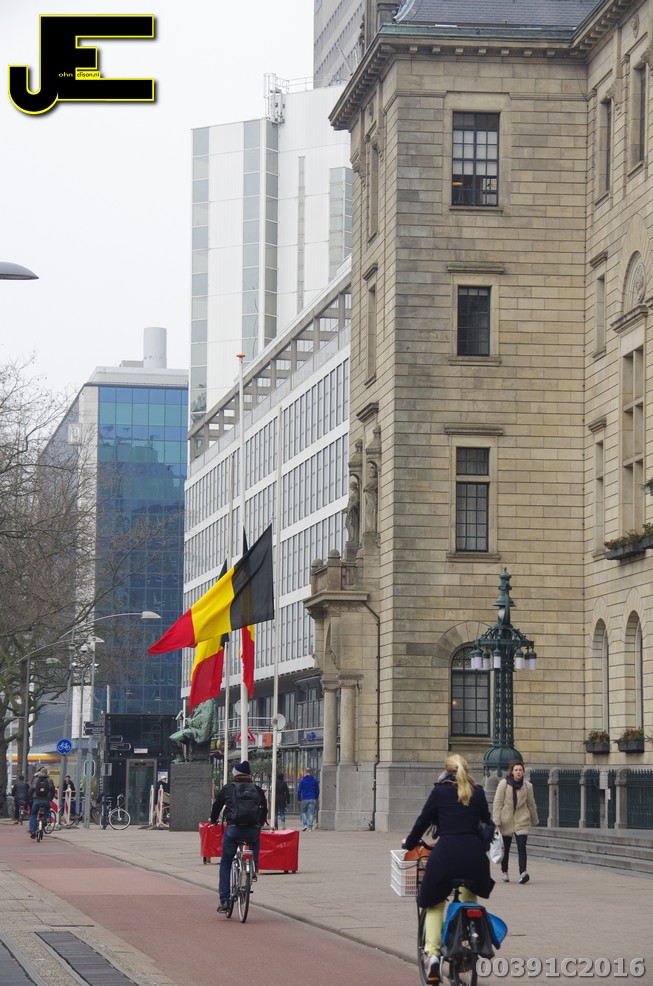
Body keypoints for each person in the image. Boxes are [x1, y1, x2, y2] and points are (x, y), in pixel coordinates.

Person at [402, 754, 495, 986]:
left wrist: (409, 843)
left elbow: (422, 822)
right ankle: (471, 933)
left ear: (446, 770)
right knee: (470, 897)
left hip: (446, 855)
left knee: (433, 903)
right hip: (474, 858)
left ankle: (433, 956)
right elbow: (488, 823)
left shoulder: (439, 792)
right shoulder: (478, 792)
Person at [210, 760, 267, 913]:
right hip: (252, 829)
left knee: (225, 862)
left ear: (234, 774)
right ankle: (253, 867)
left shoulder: (228, 788)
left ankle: (224, 901)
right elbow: (264, 809)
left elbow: (217, 806)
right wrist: (260, 823)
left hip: (234, 829)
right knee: (255, 841)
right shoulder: (257, 789)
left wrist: (213, 820)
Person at [492, 758, 539, 885]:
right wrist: (496, 820)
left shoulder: (527, 786)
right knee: (505, 849)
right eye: (516, 770)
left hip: (522, 819)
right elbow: (498, 803)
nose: (518, 772)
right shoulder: (503, 784)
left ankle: (523, 872)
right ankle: (505, 872)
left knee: (521, 847)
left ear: (523, 772)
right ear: (512, 772)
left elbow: (531, 804)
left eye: (520, 770)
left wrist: (534, 820)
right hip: (506, 820)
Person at [28, 769, 55, 839]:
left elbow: (30, 790)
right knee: (47, 809)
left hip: (36, 800)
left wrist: (30, 798)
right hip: (46, 800)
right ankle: (45, 820)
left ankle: (32, 830)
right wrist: (51, 798)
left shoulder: (35, 780)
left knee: (33, 815)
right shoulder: (50, 780)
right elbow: (53, 790)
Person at [297, 767, 319, 831]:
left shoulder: (302, 781)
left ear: (305, 772)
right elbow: (317, 790)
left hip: (305, 798)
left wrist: (299, 799)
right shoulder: (315, 781)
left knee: (303, 812)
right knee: (311, 813)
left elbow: (299, 791)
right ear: (311, 772)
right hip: (312, 798)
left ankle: (305, 825)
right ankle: (310, 827)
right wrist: (316, 796)